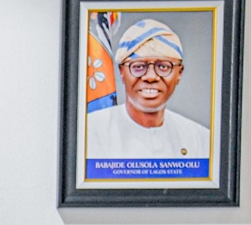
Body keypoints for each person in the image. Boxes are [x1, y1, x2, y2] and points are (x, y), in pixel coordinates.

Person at [87, 18, 210, 159]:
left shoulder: (200, 140)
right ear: (121, 72)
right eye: (138, 66)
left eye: (163, 66)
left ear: (179, 73)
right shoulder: (89, 133)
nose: (151, 77)